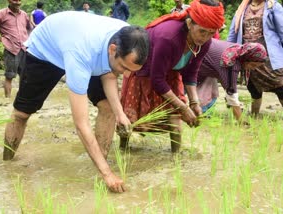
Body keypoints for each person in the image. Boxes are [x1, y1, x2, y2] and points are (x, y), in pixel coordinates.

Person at [3, 11, 149, 193]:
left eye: (132, 71)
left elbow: (110, 75)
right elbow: (81, 124)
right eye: (124, 68)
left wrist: (120, 113)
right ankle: (7, 164)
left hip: (82, 47)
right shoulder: (82, 53)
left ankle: (98, 167)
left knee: (108, 108)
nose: (126, 75)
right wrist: (108, 174)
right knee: (21, 114)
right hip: (46, 53)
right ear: (112, 49)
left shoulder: (126, 37)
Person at [120, 0, 225, 153]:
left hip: (171, 72)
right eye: (202, 31)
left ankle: (176, 158)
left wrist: (194, 103)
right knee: (130, 116)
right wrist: (183, 108)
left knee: (174, 116)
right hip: (145, 70)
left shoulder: (205, 41)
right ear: (189, 24)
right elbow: (157, 80)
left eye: (211, 33)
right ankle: (122, 151)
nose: (205, 37)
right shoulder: (168, 37)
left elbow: (191, 72)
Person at [227, 0, 283, 116]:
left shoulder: (273, 6)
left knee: (279, 85)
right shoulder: (242, 8)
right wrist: (228, 50)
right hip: (248, 57)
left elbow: (282, 30)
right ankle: (254, 115)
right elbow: (233, 32)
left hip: (269, 57)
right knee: (253, 87)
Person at [197, 39, 267, 121]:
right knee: (182, 91)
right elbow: (231, 94)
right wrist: (241, 121)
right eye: (253, 65)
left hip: (204, 65)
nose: (254, 68)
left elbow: (228, 86)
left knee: (212, 94)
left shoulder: (238, 50)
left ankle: (200, 114)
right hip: (191, 62)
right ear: (246, 58)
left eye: (257, 66)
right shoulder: (231, 63)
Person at [0, 0, 31, 98]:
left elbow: (29, 28)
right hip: (11, 49)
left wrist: (28, 39)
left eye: (19, 0)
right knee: (9, 76)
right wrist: (0, 38)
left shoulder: (24, 14)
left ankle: (22, 98)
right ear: (9, 1)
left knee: (25, 76)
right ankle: (7, 99)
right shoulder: (1, 13)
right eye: (14, 0)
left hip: (24, 49)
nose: (17, 2)